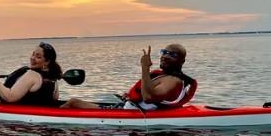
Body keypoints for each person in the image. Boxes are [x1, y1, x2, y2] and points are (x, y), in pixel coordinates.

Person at [61, 43, 196, 110]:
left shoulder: (173, 81)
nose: (165, 56)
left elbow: (149, 98)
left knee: (73, 102)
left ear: (182, 61)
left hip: (129, 113)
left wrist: (144, 67)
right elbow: (146, 94)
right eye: (164, 52)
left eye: (172, 54)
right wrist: (130, 96)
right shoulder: (165, 76)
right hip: (127, 108)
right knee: (73, 102)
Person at [0, 42, 63, 107]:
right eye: (33, 54)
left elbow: (10, 97)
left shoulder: (32, 75)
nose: (32, 58)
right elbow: (55, 98)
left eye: (38, 57)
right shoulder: (54, 78)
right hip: (40, 117)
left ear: (47, 62)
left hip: (24, 119)